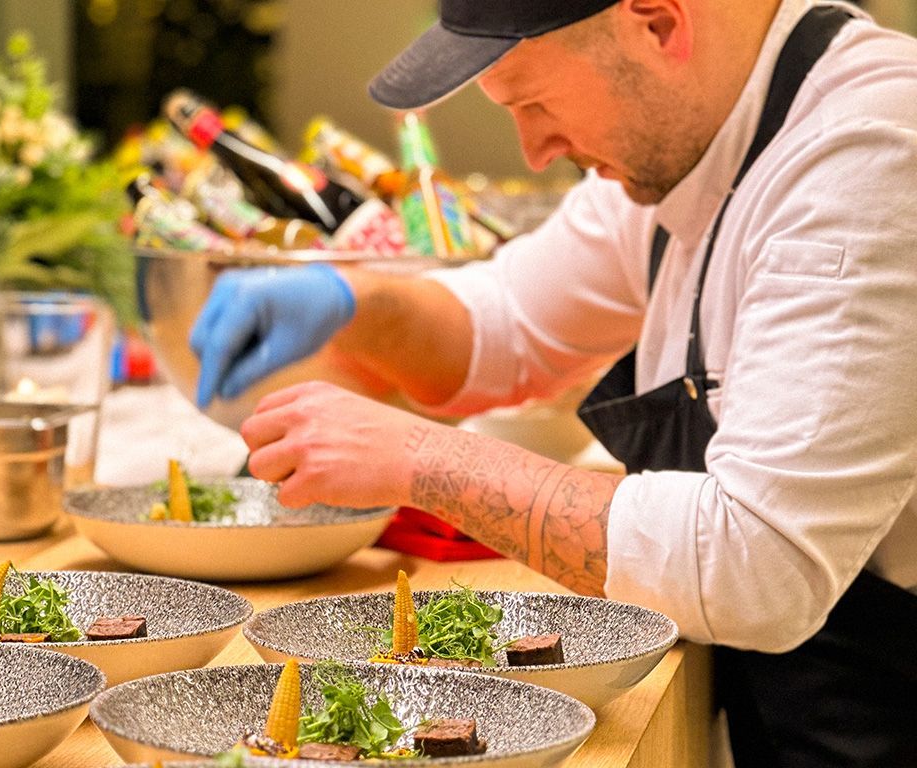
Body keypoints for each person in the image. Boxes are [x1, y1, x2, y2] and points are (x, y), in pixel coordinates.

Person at [190, 1, 917, 765]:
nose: (534, 151)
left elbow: (758, 565)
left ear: (659, 24)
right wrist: (350, 300)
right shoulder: (696, 135)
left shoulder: (870, 152)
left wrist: (423, 460)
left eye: (533, 101)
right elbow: (502, 324)